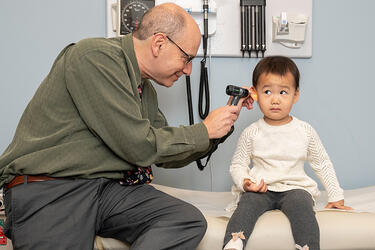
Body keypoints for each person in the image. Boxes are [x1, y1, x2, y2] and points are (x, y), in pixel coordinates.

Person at [0, 3, 253, 250]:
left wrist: (219, 129)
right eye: (186, 58)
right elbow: (140, 146)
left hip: (106, 191)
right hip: (52, 189)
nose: (188, 70)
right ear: (159, 43)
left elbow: (163, 154)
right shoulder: (95, 58)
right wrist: (204, 130)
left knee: (184, 222)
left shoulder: (146, 90)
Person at [223, 56, 352, 250]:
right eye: (267, 92)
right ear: (255, 93)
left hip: (295, 188)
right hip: (261, 188)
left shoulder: (305, 130)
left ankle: (307, 247)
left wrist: (335, 195)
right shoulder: (252, 132)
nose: (275, 99)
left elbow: (322, 163)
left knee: (302, 207)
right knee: (247, 204)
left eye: (283, 92)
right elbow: (238, 164)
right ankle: (232, 245)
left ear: (295, 95)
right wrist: (245, 182)